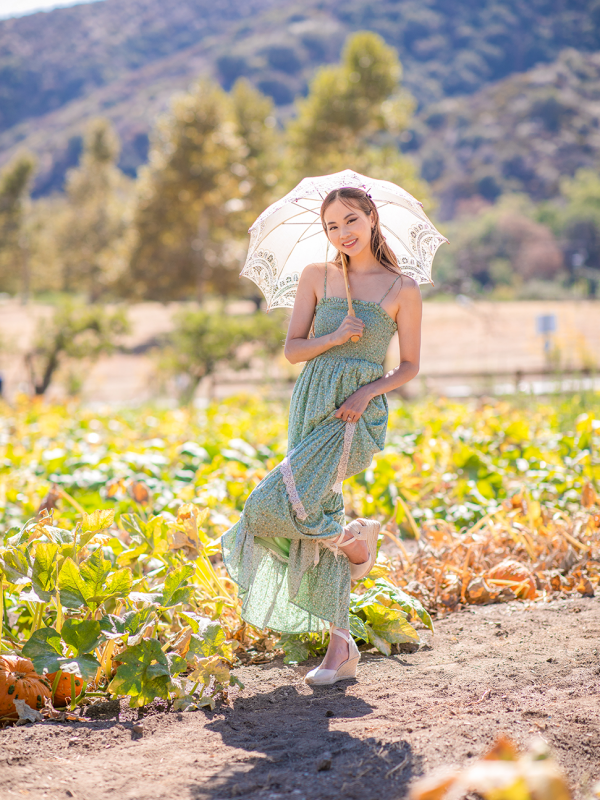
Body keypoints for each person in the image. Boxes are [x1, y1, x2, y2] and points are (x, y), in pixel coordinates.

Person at [222, 187, 422, 685]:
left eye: (351, 220)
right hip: (311, 399)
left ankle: (355, 548)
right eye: (332, 226)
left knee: (266, 506)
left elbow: (409, 366)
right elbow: (293, 350)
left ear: (372, 218)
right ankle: (341, 642)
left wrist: (367, 393)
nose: (343, 232)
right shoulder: (317, 275)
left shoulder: (402, 288)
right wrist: (334, 336)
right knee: (317, 506)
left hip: (355, 410)